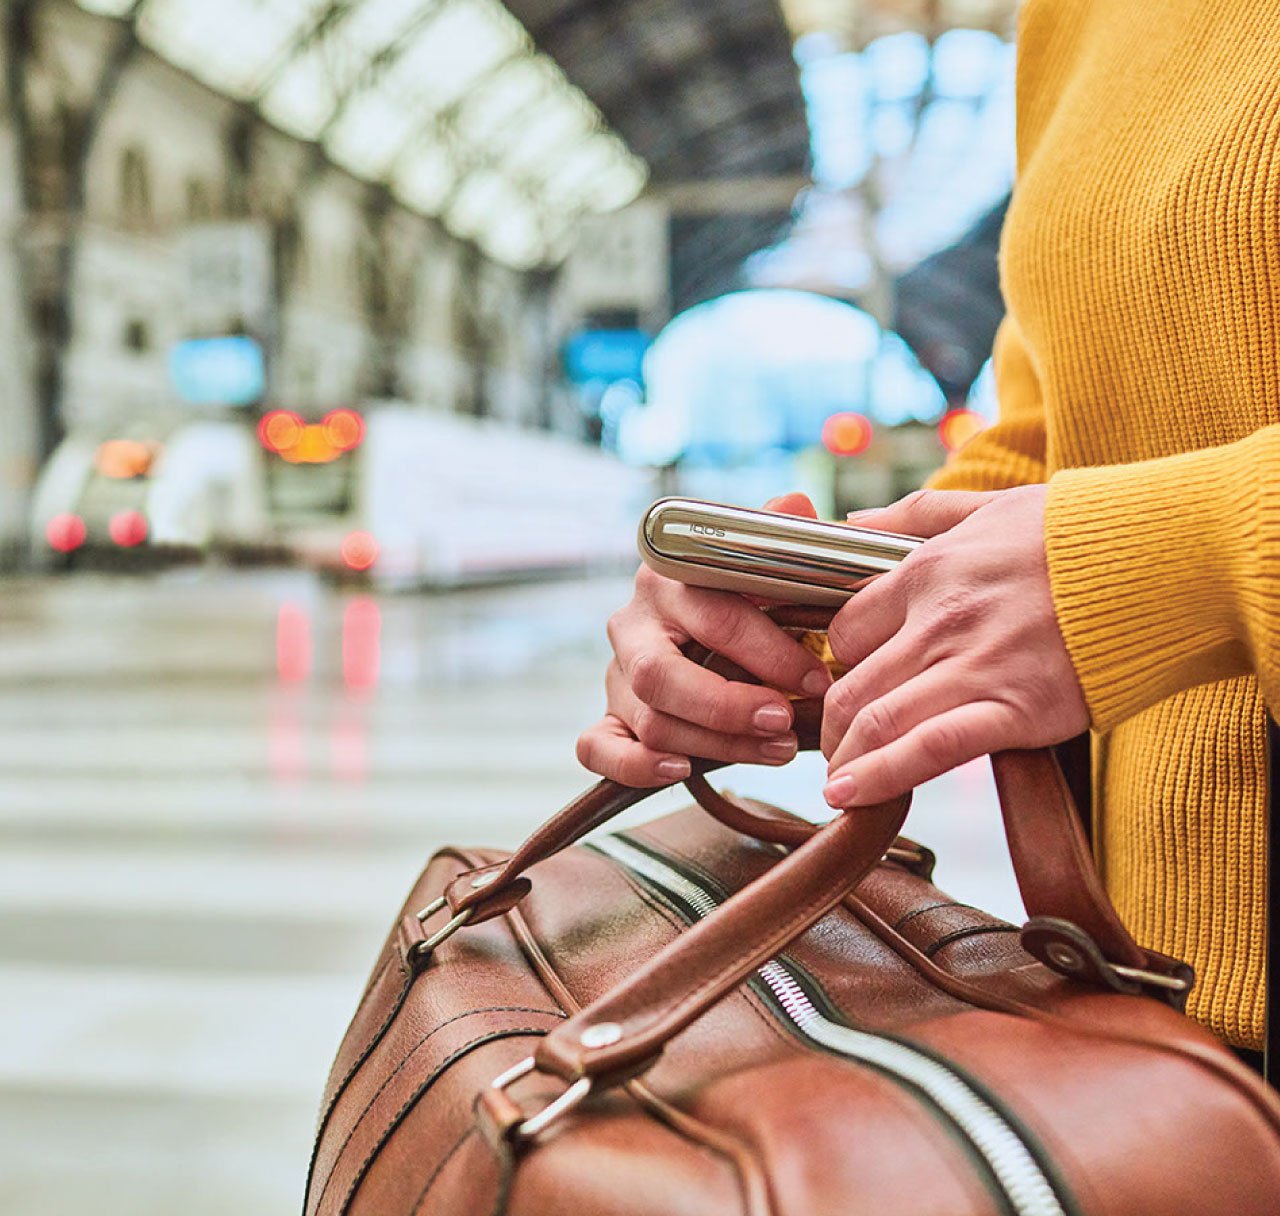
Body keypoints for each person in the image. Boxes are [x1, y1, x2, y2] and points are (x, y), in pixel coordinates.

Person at [576, 0, 1279, 1055]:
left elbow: (1112, 534)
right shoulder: (1075, 18)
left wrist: (1169, 559)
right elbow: (1061, 430)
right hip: (1166, 1017)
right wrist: (797, 623)